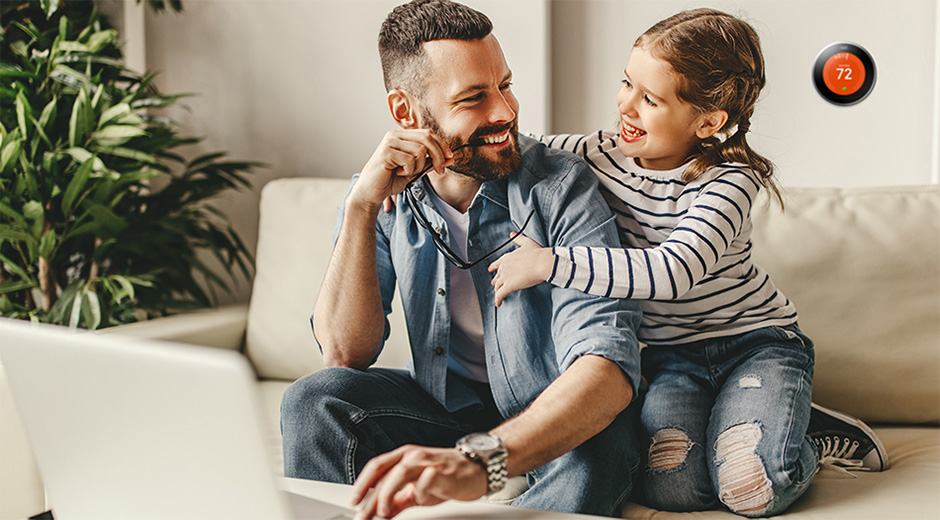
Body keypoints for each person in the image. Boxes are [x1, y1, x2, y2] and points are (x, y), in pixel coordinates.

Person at [489, 8, 888, 518]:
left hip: (755, 345)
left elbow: (671, 272)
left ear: (708, 120)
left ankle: (812, 437)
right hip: (671, 361)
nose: (625, 106)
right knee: (671, 489)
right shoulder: (599, 155)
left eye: (650, 99)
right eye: (626, 83)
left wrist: (550, 263)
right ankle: (764, 426)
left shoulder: (728, 183)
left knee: (752, 487)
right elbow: (520, 151)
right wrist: (423, 154)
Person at [279, 1, 642, 519]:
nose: (505, 111)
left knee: (600, 442)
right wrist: (361, 207)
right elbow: (344, 352)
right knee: (315, 400)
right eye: (474, 98)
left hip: (556, 411)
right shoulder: (381, 194)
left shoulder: (562, 186)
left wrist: (481, 462)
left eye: (506, 85)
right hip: (447, 408)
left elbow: (605, 368)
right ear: (406, 112)